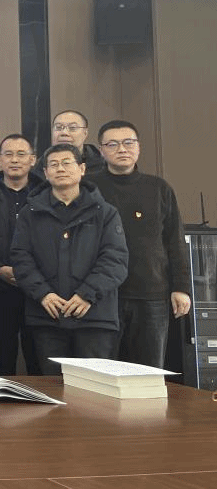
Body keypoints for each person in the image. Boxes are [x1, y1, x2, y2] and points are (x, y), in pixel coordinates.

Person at [10, 143, 129, 373]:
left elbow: (115, 260)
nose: (60, 169)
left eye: (66, 163)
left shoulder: (105, 212)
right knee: (53, 387)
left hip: (95, 316)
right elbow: (21, 258)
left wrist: (87, 294)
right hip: (48, 316)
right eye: (53, 165)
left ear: (82, 169)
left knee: (94, 386)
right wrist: (43, 293)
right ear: (45, 173)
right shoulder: (30, 213)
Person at [90, 119, 191, 367]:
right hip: (103, 294)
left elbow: (175, 240)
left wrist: (181, 287)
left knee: (148, 371)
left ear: (139, 146)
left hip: (151, 293)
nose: (122, 149)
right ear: (101, 150)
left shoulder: (158, 188)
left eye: (128, 142)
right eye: (113, 144)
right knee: (102, 371)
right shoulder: (90, 188)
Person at [0, 134, 45, 375]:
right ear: (0, 160)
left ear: (33, 159)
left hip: (37, 291)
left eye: (21, 154)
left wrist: (30, 273)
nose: (14, 160)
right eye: (8, 154)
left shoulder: (46, 196)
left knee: (39, 359)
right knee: (1, 359)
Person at [46, 109, 105, 174]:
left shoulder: (102, 166)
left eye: (72, 128)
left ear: (85, 133)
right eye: (58, 127)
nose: (64, 133)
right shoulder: (41, 165)